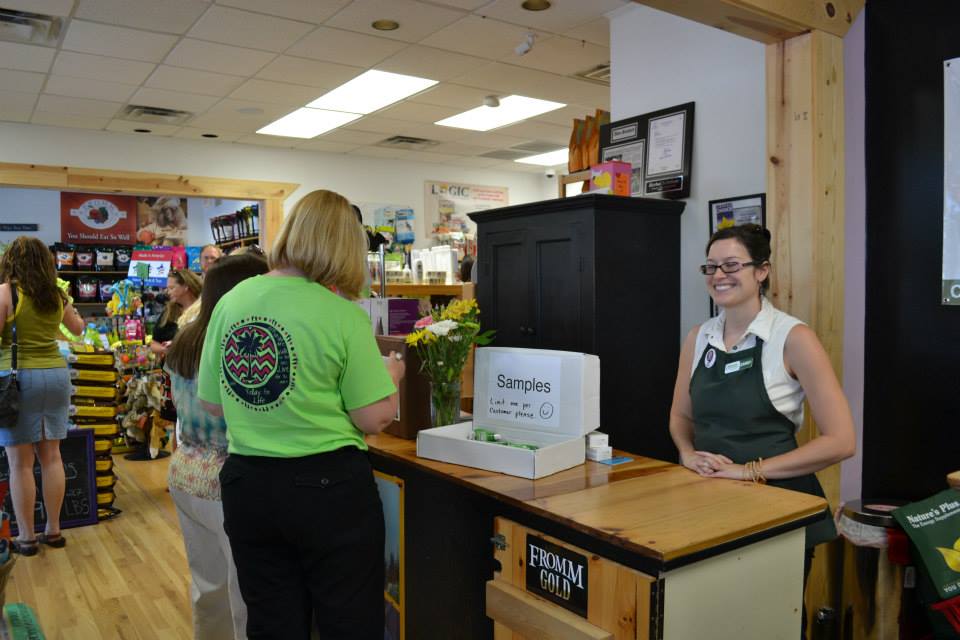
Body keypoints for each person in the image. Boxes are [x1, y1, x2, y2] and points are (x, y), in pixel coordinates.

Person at [198, 189, 405, 639]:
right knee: (349, 624)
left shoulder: (232, 300)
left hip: (248, 485)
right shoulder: (342, 314)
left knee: (272, 624)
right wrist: (392, 377)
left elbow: (212, 402)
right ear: (345, 246)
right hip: (329, 490)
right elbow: (373, 418)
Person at [668, 224, 855, 616]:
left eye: (731, 265)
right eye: (711, 267)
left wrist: (749, 471)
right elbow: (681, 416)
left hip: (777, 504)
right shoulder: (698, 337)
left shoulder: (793, 338)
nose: (719, 275)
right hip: (707, 504)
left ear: (762, 271)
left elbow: (841, 441)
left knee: (771, 620)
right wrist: (686, 453)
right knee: (711, 618)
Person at [165, 253, 269, 640]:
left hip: (186, 470)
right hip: (228, 477)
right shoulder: (240, 340)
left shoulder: (185, 338)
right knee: (245, 592)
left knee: (206, 585)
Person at [0, 237, 85, 556]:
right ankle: (54, 530)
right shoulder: (56, 294)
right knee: (52, 457)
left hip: (17, 379)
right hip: (56, 376)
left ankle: (26, 537)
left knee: (20, 463)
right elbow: (78, 328)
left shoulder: (6, 292)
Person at [151, 269, 202, 355]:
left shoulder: (203, 309)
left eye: (172, 288)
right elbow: (153, 344)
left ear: (186, 287)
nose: (168, 292)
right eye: (167, 288)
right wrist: (166, 349)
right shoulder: (169, 312)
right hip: (173, 362)